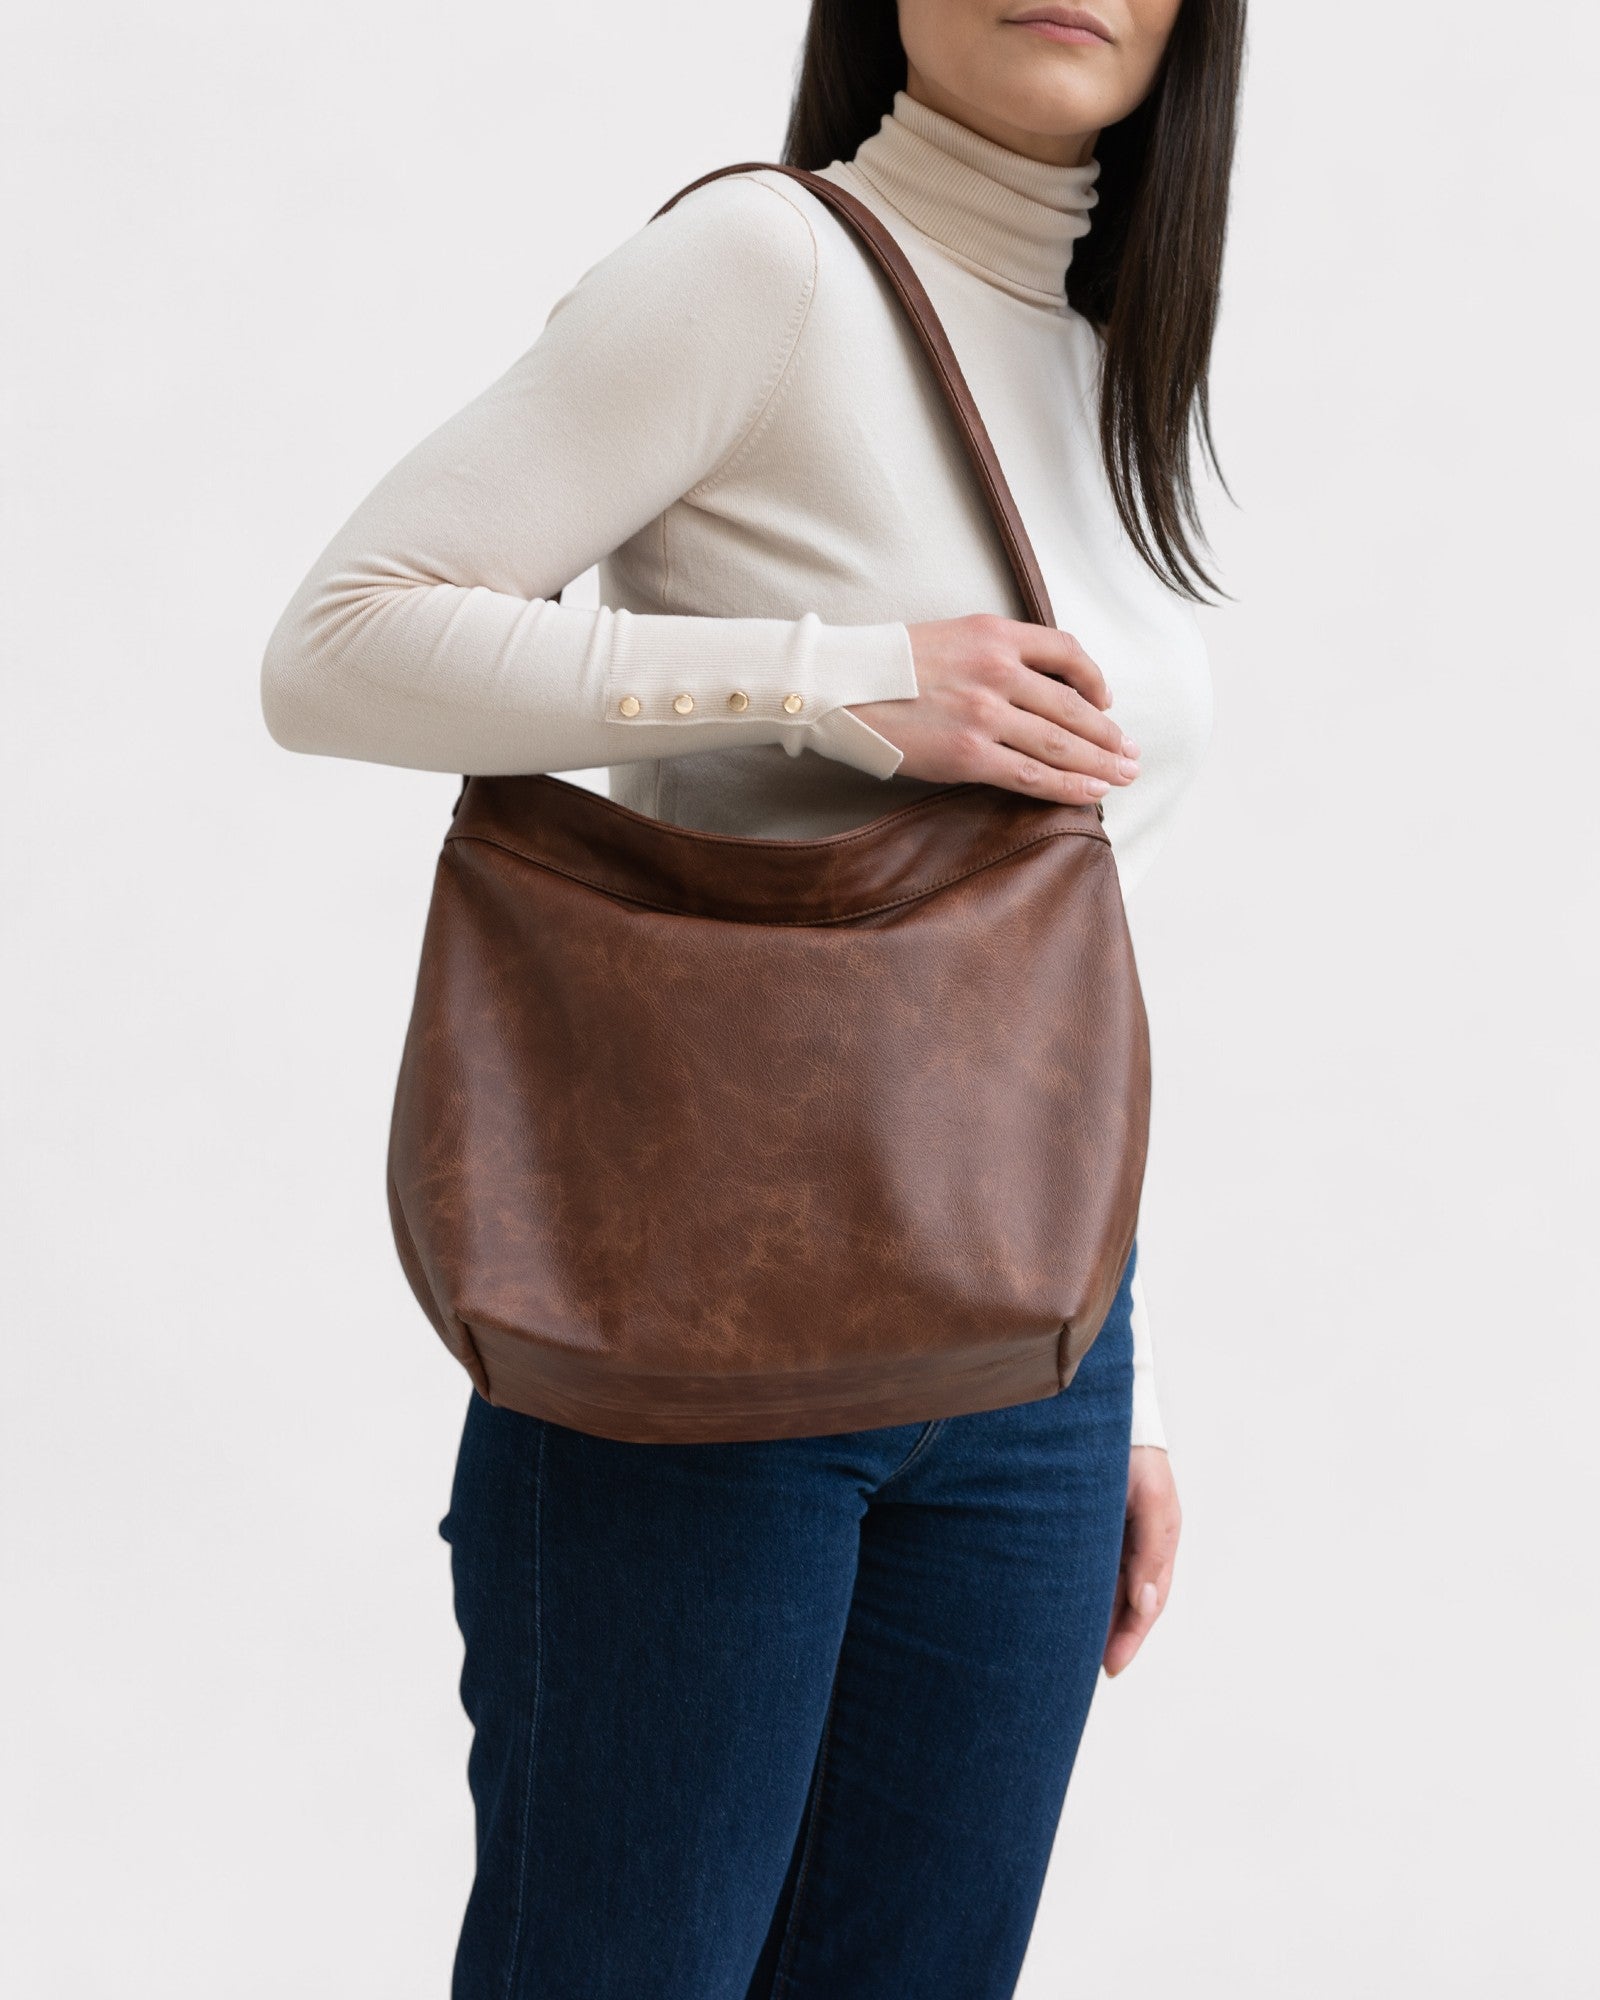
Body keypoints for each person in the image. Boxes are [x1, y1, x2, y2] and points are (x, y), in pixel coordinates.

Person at [259, 1, 1245, 1991]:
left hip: (1031, 1351)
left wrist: (1110, 1363)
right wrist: (826, 674)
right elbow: (335, 649)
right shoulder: (764, 267)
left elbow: (1042, 937)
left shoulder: (1097, 362)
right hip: (705, 1284)